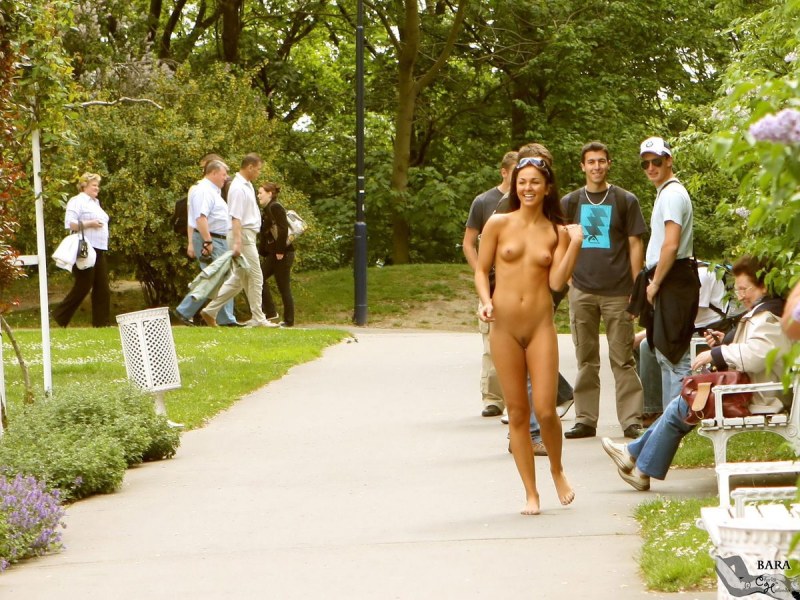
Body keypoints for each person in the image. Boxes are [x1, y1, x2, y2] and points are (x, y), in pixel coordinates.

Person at [601, 256, 792, 491]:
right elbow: (758, 351)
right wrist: (723, 343)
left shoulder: (769, 317)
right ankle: (635, 461)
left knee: (684, 404)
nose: (740, 296)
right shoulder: (764, 313)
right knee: (685, 403)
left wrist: (718, 354)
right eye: (738, 289)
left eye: (745, 289)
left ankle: (636, 461)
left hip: (760, 396)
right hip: (751, 389)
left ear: (763, 286)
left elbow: (756, 354)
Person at [475, 150, 582, 514]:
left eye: (535, 182)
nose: (528, 188)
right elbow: (480, 269)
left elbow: (556, 281)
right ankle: (531, 493)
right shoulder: (498, 224)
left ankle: (557, 470)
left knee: (546, 410)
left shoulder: (556, 232)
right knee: (518, 414)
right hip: (503, 326)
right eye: (522, 182)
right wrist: (485, 300)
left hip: (540, 327)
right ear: (514, 185)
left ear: (547, 186)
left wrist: (575, 244)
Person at [561, 141, 647, 440]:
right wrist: (568, 276)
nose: (596, 166)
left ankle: (631, 420)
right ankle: (585, 419)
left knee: (622, 358)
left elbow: (636, 244)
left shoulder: (625, 200)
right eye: (591, 162)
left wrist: (637, 287)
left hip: (618, 292)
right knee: (585, 357)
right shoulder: (570, 202)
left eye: (601, 161)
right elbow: (560, 240)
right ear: (583, 166)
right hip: (582, 290)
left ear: (609, 164)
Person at [628, 137, 700, 414]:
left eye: (656, 161)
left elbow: (671, 243)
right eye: (645, 163)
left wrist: (655, 282)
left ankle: (676, 424)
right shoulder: (666, 193)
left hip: (673, 277)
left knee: (675, 354)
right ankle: (670, 421)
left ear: (669, 160)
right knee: (661, 350)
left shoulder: (671, 194)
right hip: (669, 275)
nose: (650, 167)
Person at [463, 151, 518, 418]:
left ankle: (514, 398)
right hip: (492, 281)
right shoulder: (484, 202)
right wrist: (480, 272)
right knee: (490, 342)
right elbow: (468, 242)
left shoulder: (526, 202)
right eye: (516, 170)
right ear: (504, 172)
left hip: (517, 281)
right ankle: (492, 398)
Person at [201, 153, 276, 328]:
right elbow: (235, 216)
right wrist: (237, 242)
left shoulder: (247, 185)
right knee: (257, 276)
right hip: (242, 235)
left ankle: (210, 310)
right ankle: (259, 317)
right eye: (257, 169)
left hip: (246, 235)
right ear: (249, 167)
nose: (258, 173)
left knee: (238, 280)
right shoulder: (238, 187)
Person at [172, 158, 241, 327]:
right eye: (224, 174)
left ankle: (225, 318)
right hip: (212, 239)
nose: (226, 178)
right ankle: (184, 310)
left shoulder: (213, 191)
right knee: (213, 277)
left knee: (222, 278)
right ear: (214, 173)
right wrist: (207, 241)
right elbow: (200, 218)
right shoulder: (203, 191)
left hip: (218, 239)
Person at [52, 173, 111, 328]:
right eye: (94, 185)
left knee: (102, 288)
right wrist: (90, 223)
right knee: (83, 286)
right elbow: (70, 224)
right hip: (85, 249)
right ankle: (59, 317)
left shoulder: (96, 203)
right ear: (84, 185)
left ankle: (101, 324)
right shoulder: (77, 201)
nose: (97, 188)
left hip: (99, 250)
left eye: (98, 185)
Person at [258, 182, 294, 327]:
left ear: (270, 194)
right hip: (274, 253)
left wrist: (280, 251)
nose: (258, 195)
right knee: (259, 279)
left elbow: (283, 229)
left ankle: (288, 319)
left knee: (283, 285)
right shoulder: (267, 209)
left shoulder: (275, 207)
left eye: (261, 193)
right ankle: (270, 312)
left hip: (282, 253)